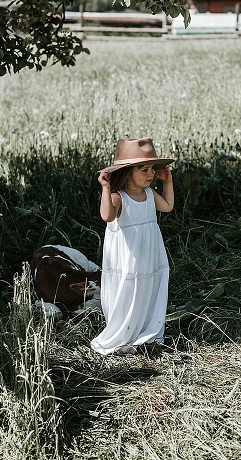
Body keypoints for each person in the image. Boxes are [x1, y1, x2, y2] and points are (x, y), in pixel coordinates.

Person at [90, 138, 174, 355]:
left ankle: (145, 330)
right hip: (128, 258)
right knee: (128, 291)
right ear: (127, 173)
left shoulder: (149, 194)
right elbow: (107, 216)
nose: (151, 173)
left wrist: (167, 182)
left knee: (149, 288)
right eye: (144, 169)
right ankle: (125, 332)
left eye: (152, 169)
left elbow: (167, 206)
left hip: (148, 255)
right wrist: (106, 189)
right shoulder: (119, 198)